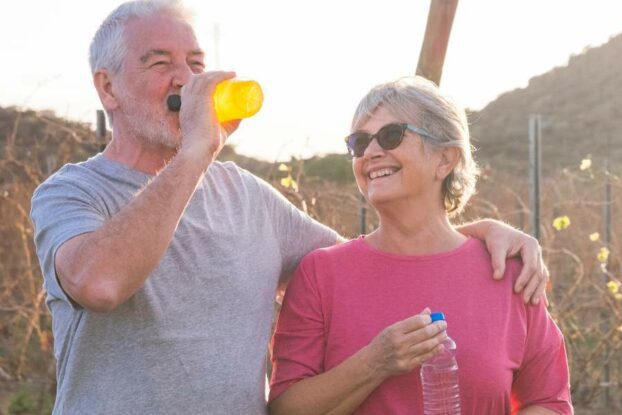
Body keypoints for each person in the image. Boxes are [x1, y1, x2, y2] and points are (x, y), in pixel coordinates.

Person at [29, 1, 549, 414]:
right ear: (107, 87)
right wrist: (195, 152)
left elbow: (370, 264)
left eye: (196, 64)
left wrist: (474, 235)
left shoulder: (248, 198)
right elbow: (99, 284)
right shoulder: (72, 194)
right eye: (160, 63)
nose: (186, 81)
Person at [268, 76, 573, 414]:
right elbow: (285, 409)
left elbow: (548, 401)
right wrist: (377, 360)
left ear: (445, 159)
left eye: (390, 135)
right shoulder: (320, 273)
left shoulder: (510, 272)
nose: (369, 153)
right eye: (359, 142)